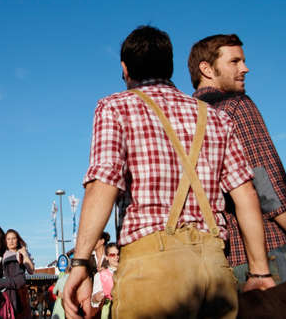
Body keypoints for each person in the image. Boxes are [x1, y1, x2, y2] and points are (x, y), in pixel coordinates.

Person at [63, 25, 275, 319]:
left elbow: (104, 183)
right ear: (170, 66)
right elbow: (246, 194)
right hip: (214, 267)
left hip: (151, 269)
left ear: (125, 69)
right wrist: (260, 272)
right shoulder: (215, 117)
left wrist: (80, 263)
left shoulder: (115, 107)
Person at [188, 34, 286, 287]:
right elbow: (267, 183)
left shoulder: (186, 118)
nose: (245, 68)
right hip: (270, 253)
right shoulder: (236, 105)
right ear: (206, 68)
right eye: (234, 61)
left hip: (219, 262)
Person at [5, 229, 34, 319]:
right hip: (6, 289)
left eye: (13, 238)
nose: (11, 241)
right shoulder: (3, 254)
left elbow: (31, 270)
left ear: (18, 240)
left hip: (20, 290)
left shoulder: (22, 252)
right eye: (8, 239)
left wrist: (24, 254)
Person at [91, 243, 119, 319]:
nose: (116, 257)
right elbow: (93, 302)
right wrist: (96, 298)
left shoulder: (127, 272)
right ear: (106, 257)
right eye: (112, 255)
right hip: (109, 312)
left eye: (118, 254)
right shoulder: (100, 275)